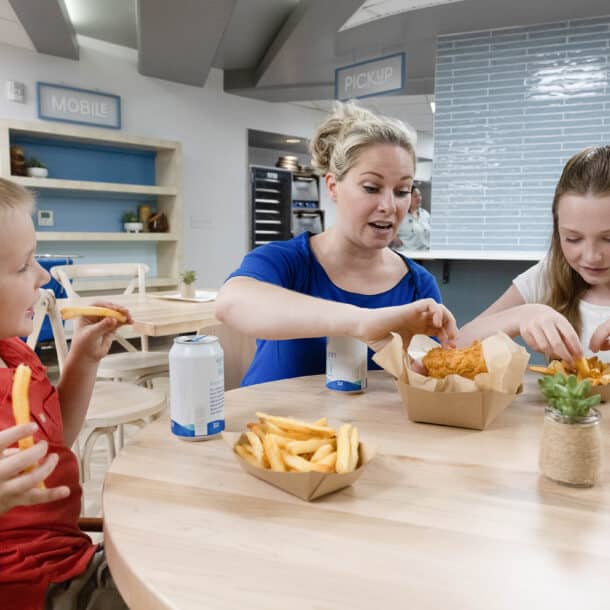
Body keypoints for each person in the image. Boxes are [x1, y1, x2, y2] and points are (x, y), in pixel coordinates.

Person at [216, 102, 457, 386]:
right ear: (332, 186)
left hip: (370, 431)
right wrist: (361, 323)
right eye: (371, 188)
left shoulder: (418, 286)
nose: (389, 206)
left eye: (402, 191)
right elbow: (231, 303)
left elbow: (424, 380)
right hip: (271, 427)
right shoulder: (286, 261)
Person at [0, 178, 130, 610]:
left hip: (73, 558)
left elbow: (54, 444)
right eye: (23, 266)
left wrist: (83, 359)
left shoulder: (16, 354)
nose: (43, 275)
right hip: (34, 589)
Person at [459, 146, 610, 363]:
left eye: (609, 239)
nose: (591, 256)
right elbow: (458, 344)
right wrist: (520, 315)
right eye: (573, 239)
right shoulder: (550, 274)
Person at [393, 187, 431, 251]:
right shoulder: (400, 214)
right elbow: (389, 230)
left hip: (425, 254)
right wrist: (396, 240)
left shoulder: (425, 214)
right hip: (407, 253)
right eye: (415, 196)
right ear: (408, 198)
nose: (419, 198)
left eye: (419, 195)